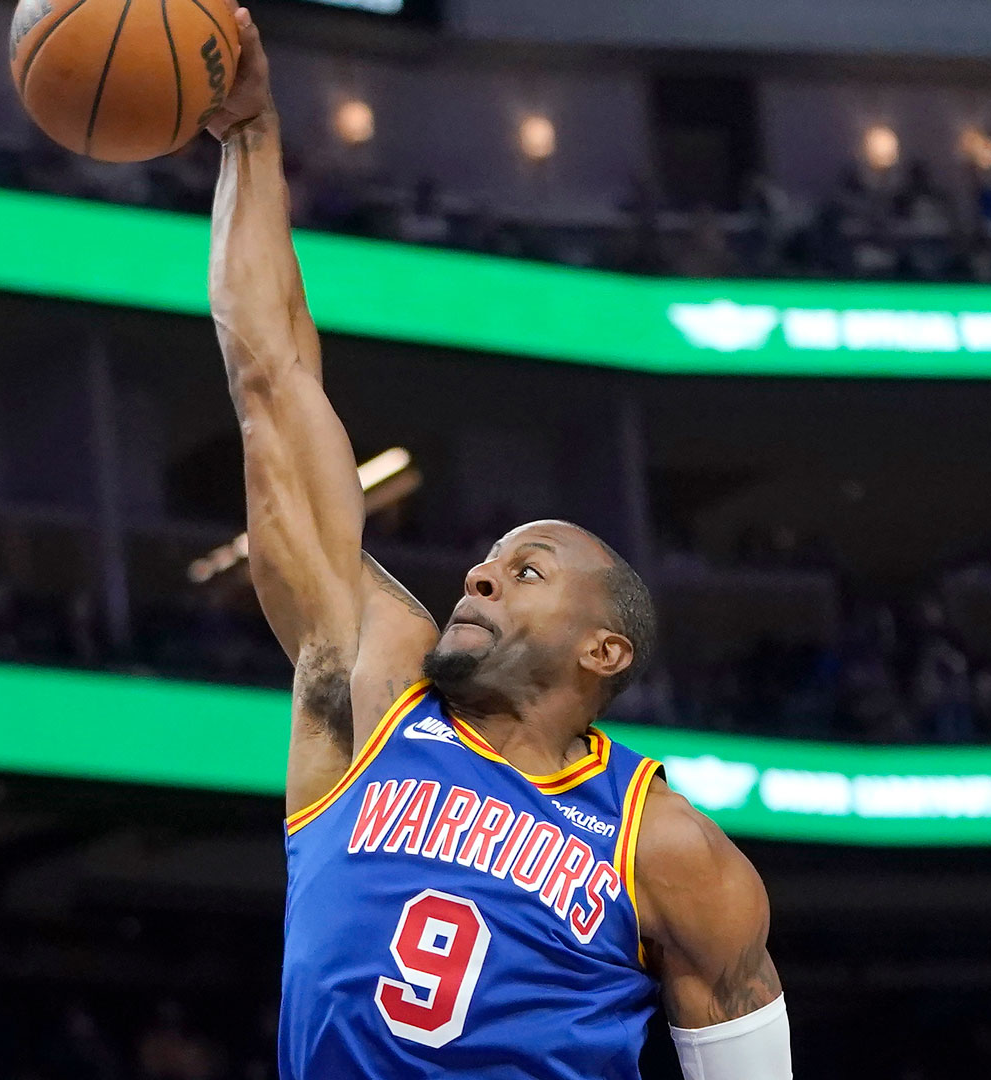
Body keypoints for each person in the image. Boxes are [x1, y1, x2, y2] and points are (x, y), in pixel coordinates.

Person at [201, 7, 791, 1079]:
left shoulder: (668, 847)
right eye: (489, 558)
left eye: (527, 570)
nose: (478, 572)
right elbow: (272, 383)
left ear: (604, 650)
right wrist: (250, 139)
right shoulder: (372, 688)